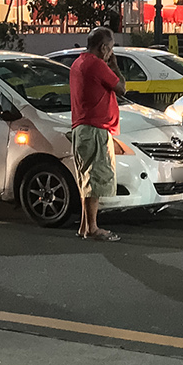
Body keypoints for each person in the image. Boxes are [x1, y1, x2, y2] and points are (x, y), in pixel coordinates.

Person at [69, 27, 127, 241]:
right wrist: (114, 66)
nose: (111, 52)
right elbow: (121, 87)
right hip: (95, 129)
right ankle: (93, 228)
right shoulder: (96, 65)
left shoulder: (78, 63)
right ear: (103, 47)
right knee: (96, 179)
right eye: (110, 48)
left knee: (86, 179)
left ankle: (85, 226)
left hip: (81, 128)